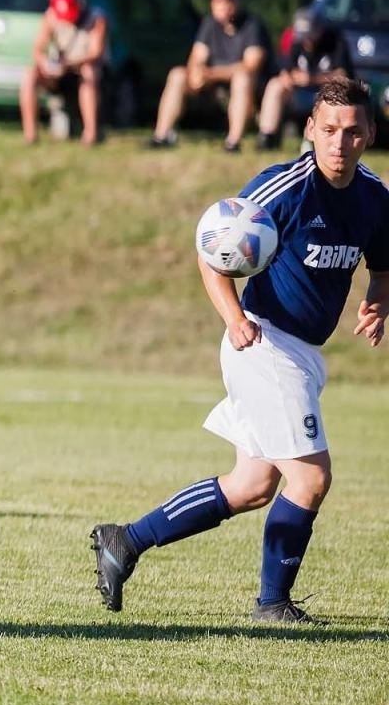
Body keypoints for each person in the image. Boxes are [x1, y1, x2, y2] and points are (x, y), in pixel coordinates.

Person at [92, 75, 388, 625]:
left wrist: (379, 297)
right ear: (310, 129)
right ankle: (272, 604)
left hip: (301, 355)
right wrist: (233, 319)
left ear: (369, 132)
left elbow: (384, 259)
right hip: (264, 341)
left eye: (351, 132)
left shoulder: (374, 197)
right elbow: (213, 248)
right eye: (328, 130)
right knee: (310, 477)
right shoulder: (286, 188)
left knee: (251, 485)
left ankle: (125, 541)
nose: (339, 144)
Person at [151, 0, 270, 152]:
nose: (222, 7)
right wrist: (195, 73)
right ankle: (161, 136)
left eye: (226, 1)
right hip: (211, 84)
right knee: (177, 74)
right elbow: (197, 56)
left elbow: (251, 65)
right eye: (217, 2)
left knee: (242, 79)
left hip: (246, 87)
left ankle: (233, 142)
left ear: (236, 2)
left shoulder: (252, 25)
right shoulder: (209, 24)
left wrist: (210, 74)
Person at [18, 0, 107, 145]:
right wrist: (45, 63)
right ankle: (30, 135)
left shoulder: (96, 18)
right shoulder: (50, 17)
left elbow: (96, 52)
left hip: (83, 70)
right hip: (59, 72)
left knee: (89, 73)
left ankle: (90, 135)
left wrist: (69, 64)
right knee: (29, 75)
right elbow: (38, 49)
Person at [254, 8, 351, 152]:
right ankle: (267, 136)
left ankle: (317, 140)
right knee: (275, 85)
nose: (307, 41)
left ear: (320, 29)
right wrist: (289, 77)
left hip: (325, 94)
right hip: (298, 93)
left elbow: (343, 76)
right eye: (303, 36)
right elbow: (285, 69)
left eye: (310, 36)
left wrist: (312, 79)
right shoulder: (295, 42)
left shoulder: (335, 42)